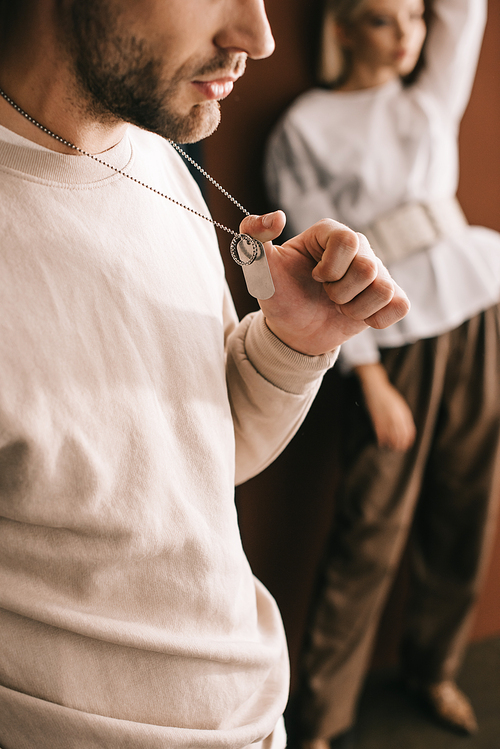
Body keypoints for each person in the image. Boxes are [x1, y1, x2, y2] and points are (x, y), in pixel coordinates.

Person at [0, 1, 411, 747]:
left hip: (254, 720)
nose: (257, 36)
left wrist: (292, 345)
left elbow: (201, 464)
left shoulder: (155, 152)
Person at [265, 0, 500, 746]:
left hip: (476, 308)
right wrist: (366, 375)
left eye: (413, 17)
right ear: (341, 27)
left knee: (468, 502)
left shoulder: (428, 100)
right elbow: (317, 269)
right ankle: (318, 721)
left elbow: (465, 16)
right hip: (389, 334)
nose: (405, 35)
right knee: (371, 526)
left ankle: (433, 665)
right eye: (380, 19)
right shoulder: (305, 126)